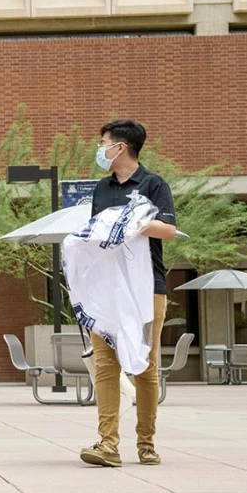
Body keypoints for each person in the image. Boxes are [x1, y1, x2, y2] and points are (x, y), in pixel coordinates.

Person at [81, 120, 177, 468]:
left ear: (120, 147)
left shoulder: (154, 185)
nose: (100, 149)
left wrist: (131, 221)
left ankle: (146, 443)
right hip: (106, 290)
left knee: (144, 366)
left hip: (146, 289)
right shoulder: (101, 189)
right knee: (106, 366)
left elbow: (168, 229)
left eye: (103, 142)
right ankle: (108, 444)